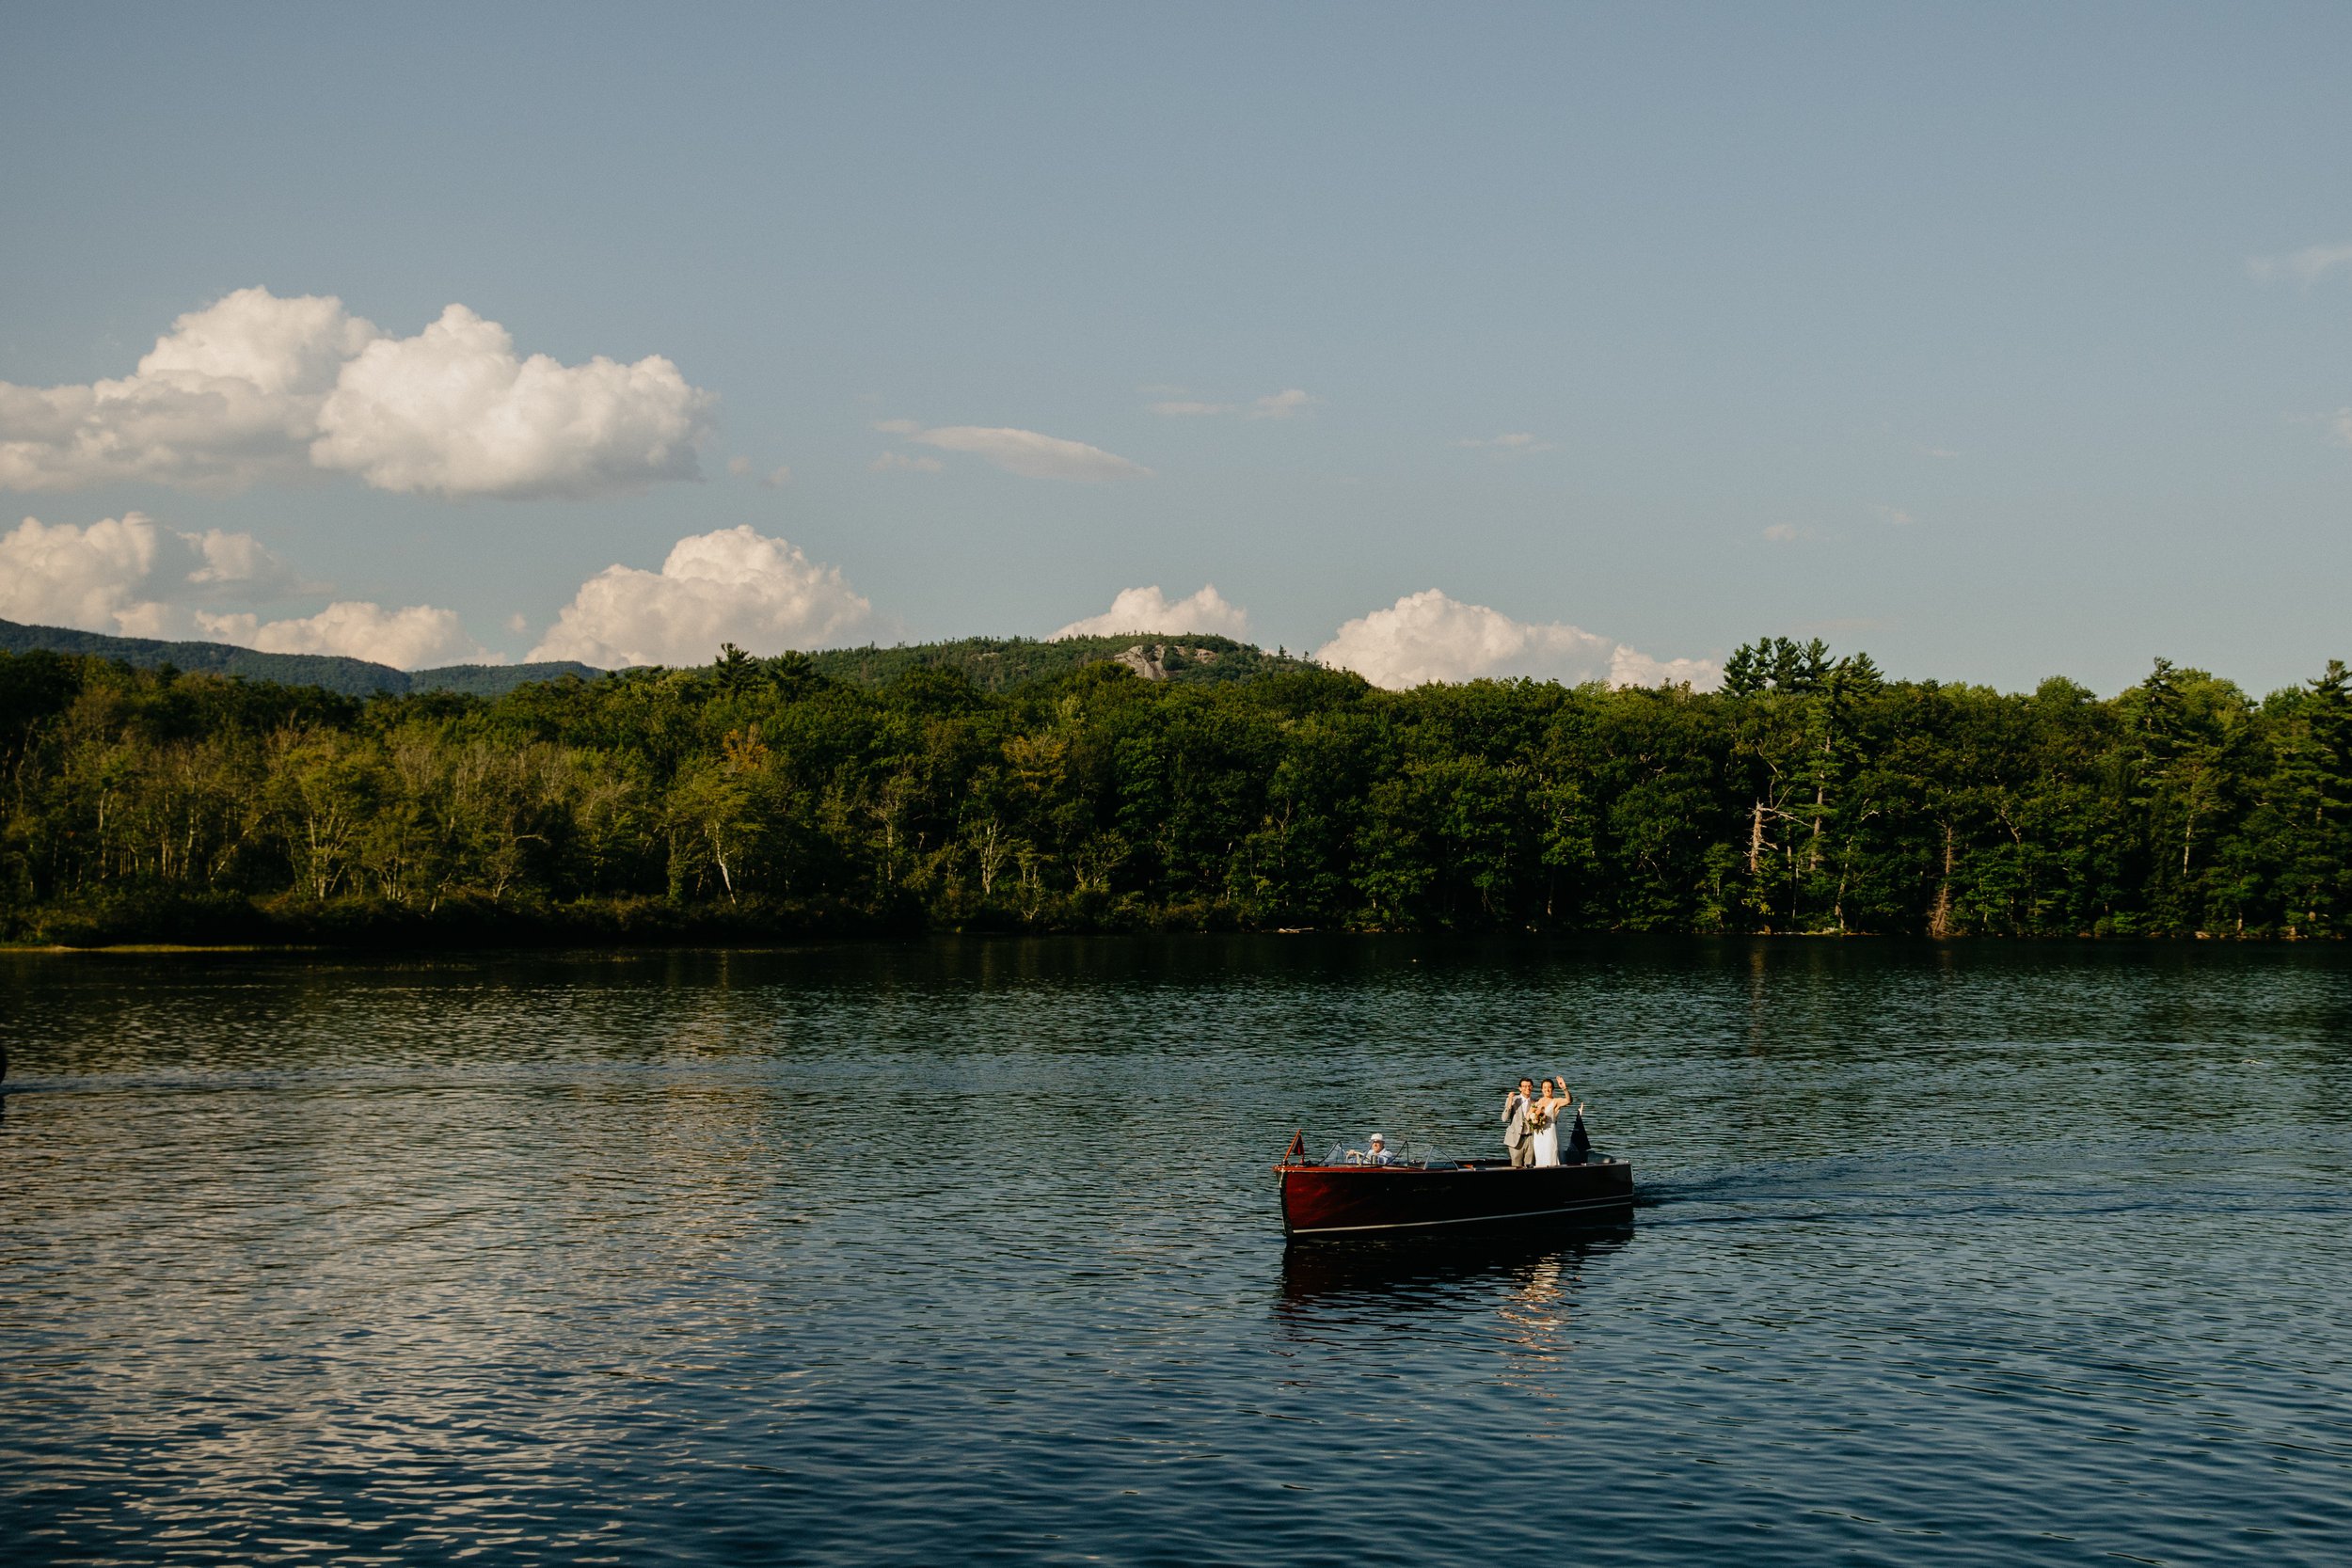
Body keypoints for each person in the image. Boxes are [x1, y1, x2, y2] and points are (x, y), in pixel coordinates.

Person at [1531, 1078, 1575, 1167]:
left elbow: (1569, 1101)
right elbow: (1530, 1115)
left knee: (1550, 1154)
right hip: (1538, 1134)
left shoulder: (1555, 1101)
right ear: (1542, 1089)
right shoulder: (1537, 1102)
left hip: (1549, 1132)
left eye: (1549, 1087)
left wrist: (1564, 1088)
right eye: (1545, 1087)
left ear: (1553, 1089)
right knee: (1540, 1155)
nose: (1547, 1089)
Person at [1502, 1077, 1536, 1167]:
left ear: (1532, 1087)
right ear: (1520, 1088)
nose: (1527, 1088)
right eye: (1524, 1086)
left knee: (1530, 1165)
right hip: (1515, 1138)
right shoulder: (1513, 1100)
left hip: (1530, 1137)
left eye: (1529, 1086)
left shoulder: (1535, 1102)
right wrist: (1509, 1101)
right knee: (1516, 1166)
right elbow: (1504, 1119)